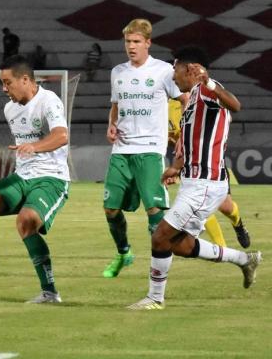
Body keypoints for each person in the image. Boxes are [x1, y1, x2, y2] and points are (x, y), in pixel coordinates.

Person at [128, 46, 261, 310]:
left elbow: (235, 104)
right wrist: (176, 166)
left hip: (206, 183)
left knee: (160, 236)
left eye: (176, 69)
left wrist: (208, 81)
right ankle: (245, 260)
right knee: (180, 245)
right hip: (193, 180)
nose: (173, 76)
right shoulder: (193, 99)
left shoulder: (209, 91)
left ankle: (155, 299)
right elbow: (192, 141)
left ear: (191, 69)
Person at [0, 55, 70, 304]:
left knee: (26, 221)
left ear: (25, 79)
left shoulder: (49, 101)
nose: (4, 89)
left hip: (52, 179)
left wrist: (34, 146)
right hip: (22, 177)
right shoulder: (9, 108)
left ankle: (50, 293)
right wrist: (28, 150)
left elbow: (61, 136)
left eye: (7, 82)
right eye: (2, 83)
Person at [102, 19, 187, 278]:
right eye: (128, 41)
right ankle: (124, 252)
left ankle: (158, 270)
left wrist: (183, 135)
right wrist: (111, 125)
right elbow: (116, 105)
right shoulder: (118, 72)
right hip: (122, 150)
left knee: (154, 212)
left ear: (148, 43)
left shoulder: (163, 71)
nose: (131, 46)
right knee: (110, 209)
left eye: (136, 41)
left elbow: (185, 100)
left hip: (150, 150)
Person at [168, 99, 251, 248]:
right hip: (188, 163)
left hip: (209, 158)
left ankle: (237, 223)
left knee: (226, 207)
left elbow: (226, 116)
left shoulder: (196, 97)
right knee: (200, 204)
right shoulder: (161, 105)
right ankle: (222, 248)